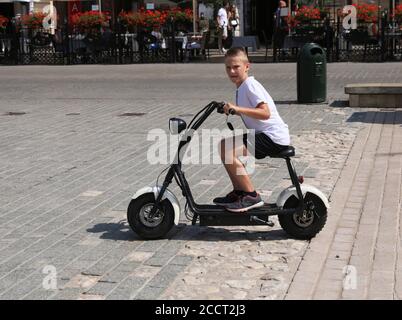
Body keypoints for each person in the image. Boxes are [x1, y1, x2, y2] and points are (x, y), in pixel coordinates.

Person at [214, 47, 290, 212]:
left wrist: (237, 109)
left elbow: (265, 113)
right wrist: (231, 109)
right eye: (228, 67)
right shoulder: (241, 86)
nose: (232, 71)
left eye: (236, 67)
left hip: (272, 137)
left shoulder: (250, 85)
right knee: (223, 146)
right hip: (264, 135)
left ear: (247, 66)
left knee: (228, 151)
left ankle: (251, 195)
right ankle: (239, 192)